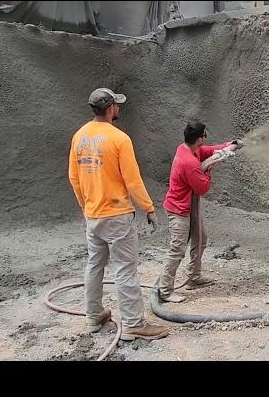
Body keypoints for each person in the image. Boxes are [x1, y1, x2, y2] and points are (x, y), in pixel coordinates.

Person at [68, 87, 169, 341]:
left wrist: (86, 206)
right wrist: (148, 208)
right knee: (125, 269)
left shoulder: (79, 136)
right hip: (117, 215)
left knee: (94, 264)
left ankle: (93, 316)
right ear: (111, 107)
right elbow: (132, 181)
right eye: (117, 105)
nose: (119, 108)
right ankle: (133, 324)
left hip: (93, 215)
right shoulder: (119, 139)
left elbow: (74, 177)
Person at [158, 121, 241, 303]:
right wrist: (210, 165)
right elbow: (203, 187)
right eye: (205, 135)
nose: (206, 138)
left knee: (201, 240)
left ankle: (194, 277)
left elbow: (207, 151)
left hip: (189, 206)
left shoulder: (187, 148)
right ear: (199, 138)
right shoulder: (189, 162)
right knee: (177, 250)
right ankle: (164, 291)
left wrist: (228, 146)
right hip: (179, 211)